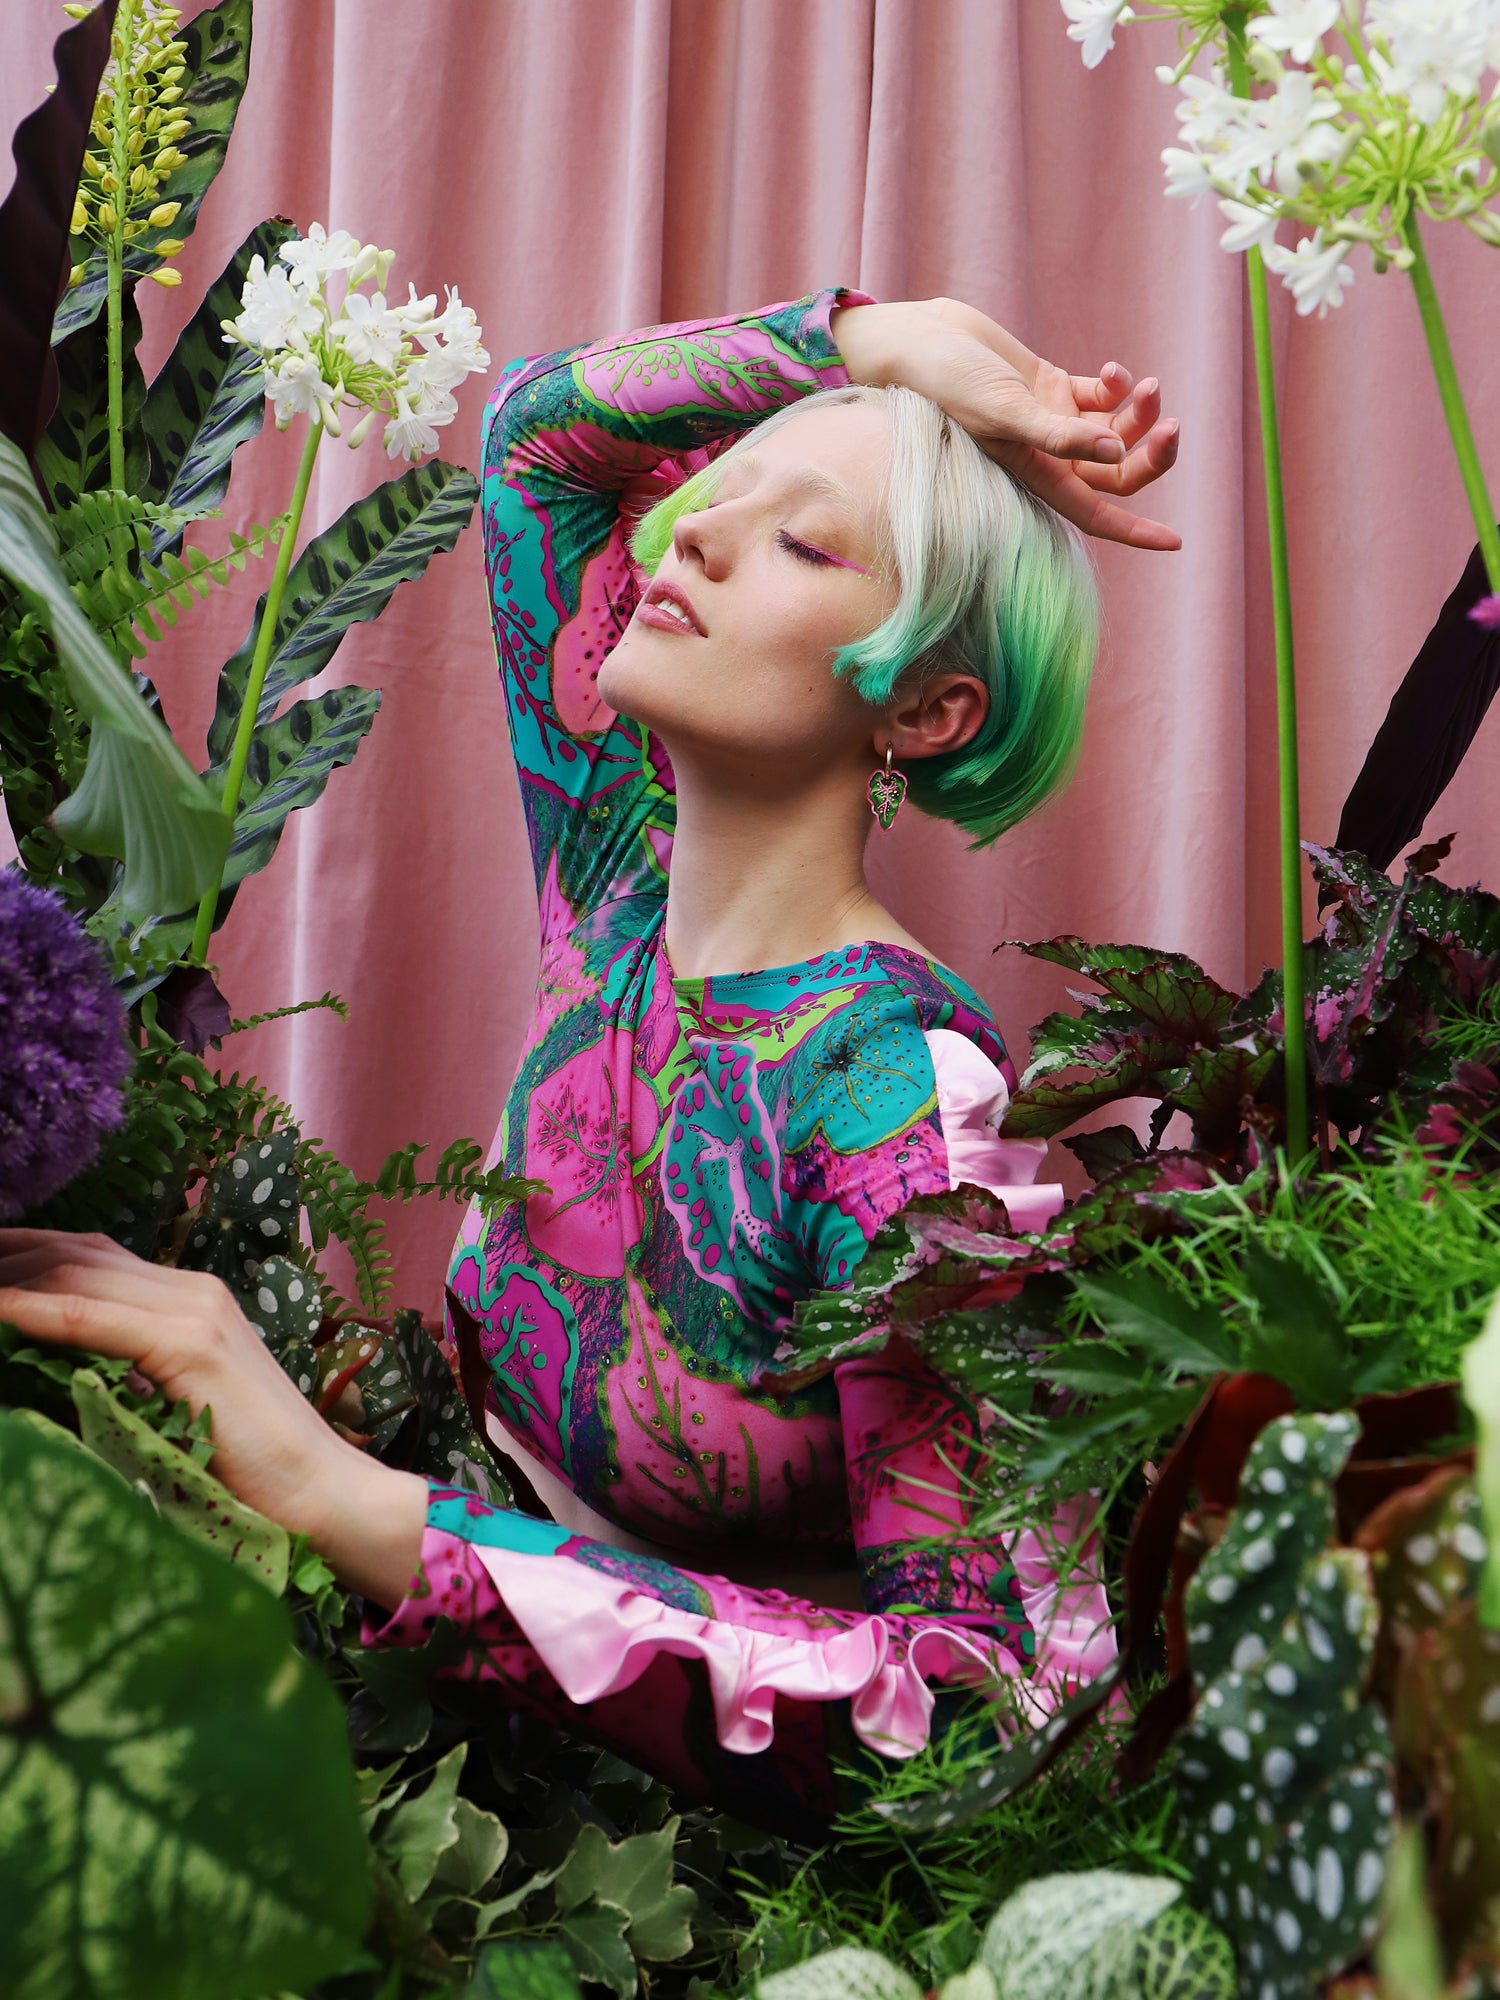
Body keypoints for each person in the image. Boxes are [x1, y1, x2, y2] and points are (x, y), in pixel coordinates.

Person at [0, 291, 1179, 1833]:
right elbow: (539, 440)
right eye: (716, 497)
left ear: (926, 705)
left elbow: (981, 1705)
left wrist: (349, 1500)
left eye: (802, 542)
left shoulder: (901, 1103)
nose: (694, 536)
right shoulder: (614, 878)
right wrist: (872, 342)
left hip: (720, 1885)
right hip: (453, 1757)